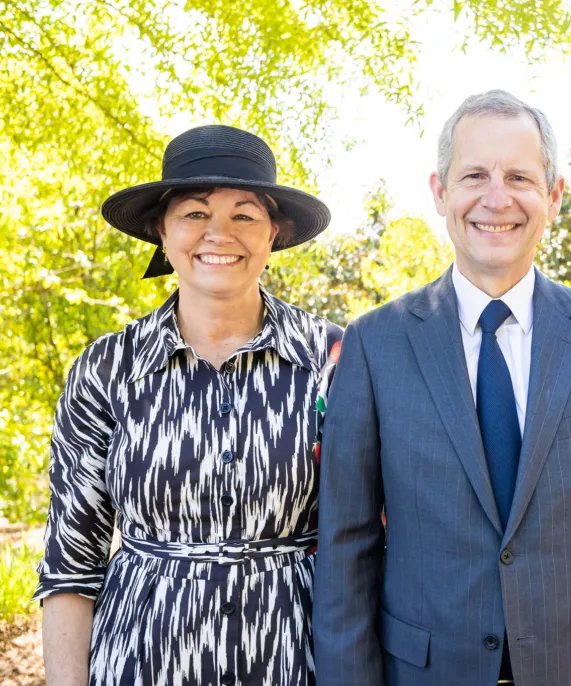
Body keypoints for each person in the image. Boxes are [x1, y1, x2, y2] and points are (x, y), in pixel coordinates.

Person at [313, 89, 571, 686]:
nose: (497, 198)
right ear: (440, 192)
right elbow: (344, 551)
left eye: (520, 177)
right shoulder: (374, 344)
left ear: (554, 196)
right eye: (475, 175)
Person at [34, 124, 342, 685]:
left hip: (298, 662)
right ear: (162, 230)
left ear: (273, 233)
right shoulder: (108, 368)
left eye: (244, 214)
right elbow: (70, 566)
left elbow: (380, 536)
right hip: (141, 664)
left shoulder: (335, 359)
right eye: (195, 214)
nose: (218, 234)